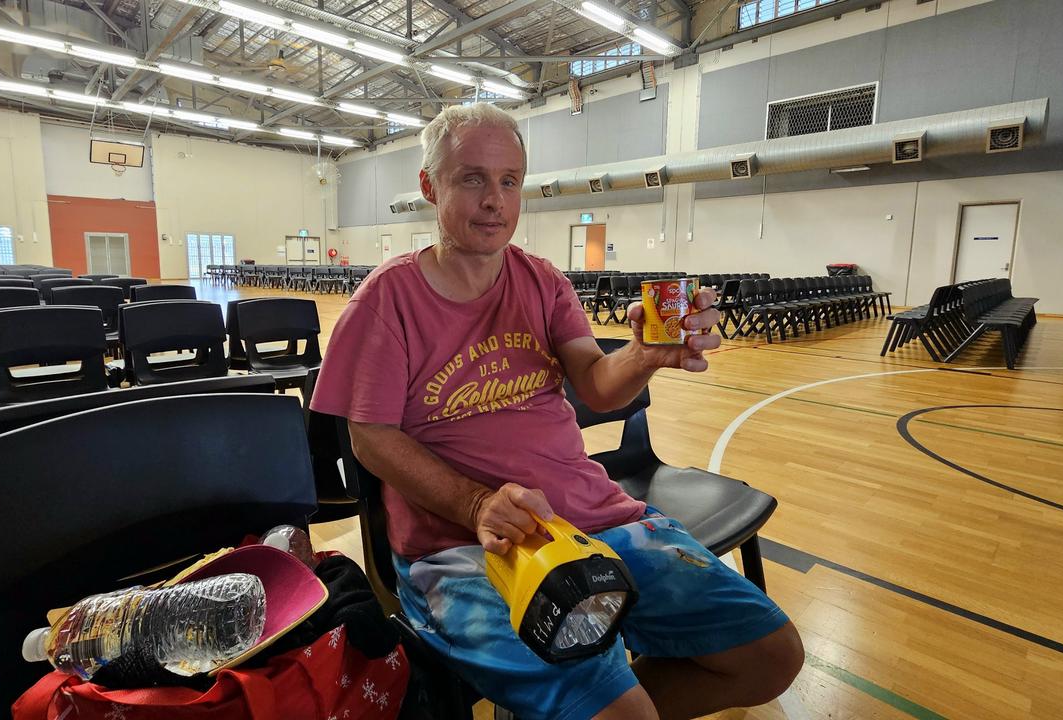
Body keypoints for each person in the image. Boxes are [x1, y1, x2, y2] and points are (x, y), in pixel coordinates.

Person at [310, 103, 803, 720]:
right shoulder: (386, 301)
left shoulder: (543, 282)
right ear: (429, 186)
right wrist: (474, 503)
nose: (495, 200)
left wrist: (645, 354)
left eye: (509, 181)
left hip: (594, 519)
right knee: (621, 712)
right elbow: (370, 439)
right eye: (472, 178)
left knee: (772, 656)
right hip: (468, 547)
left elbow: (597, 386)